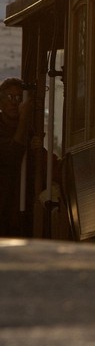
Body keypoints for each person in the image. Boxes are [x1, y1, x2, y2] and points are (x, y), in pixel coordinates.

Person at [0, 78, 32, 237]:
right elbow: (12, 155)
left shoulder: (32, 129)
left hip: (23, 207)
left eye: (19, 98)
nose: (14, 103)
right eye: (10, 97)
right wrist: (24, 120)